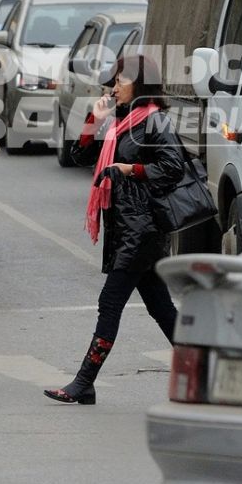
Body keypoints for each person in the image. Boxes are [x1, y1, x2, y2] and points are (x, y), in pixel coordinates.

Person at [46, 53, 188, 406]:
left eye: (120, 81)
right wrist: (94, 119)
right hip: (125, 227)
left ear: (140, 85)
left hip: (142, 229)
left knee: (110, 302)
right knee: (162, 308)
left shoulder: (155, 123)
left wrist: (132, 170)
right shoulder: (121, 122)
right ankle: (205, 374)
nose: (114, 88)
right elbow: (80, 158)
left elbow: (173, 168)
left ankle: (84, 382)